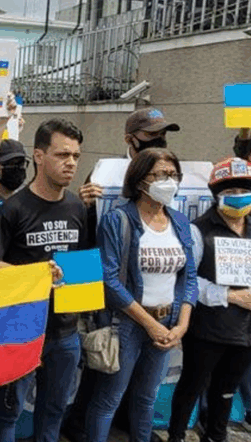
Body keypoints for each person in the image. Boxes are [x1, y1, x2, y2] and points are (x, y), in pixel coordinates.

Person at [0, 118, 88, 442]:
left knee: (54, 411)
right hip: (22, 329)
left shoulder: (78, 206)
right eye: (62, 155)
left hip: (66, 334)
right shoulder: (13, 209)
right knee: (8, 413)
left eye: (75, 156)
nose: (70, 163)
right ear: (39, 157)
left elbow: (82, 263)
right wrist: (38, 274)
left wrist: (81, 316)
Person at [84, 148, 198, 442]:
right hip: (128, 325)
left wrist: (181, 325)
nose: (168, 181)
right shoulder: (118, 221)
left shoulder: (180, 222)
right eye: (160, 174)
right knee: (109, 399)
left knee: (147, 399)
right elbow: (108, 280)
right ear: (139, 180)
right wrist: (149, 324)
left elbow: (189, 277)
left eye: (173, 175)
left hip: (168, 324)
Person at [167, 157, 251, 442]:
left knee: (226, 391)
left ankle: (216, 436)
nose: (238, 197)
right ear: (216, 195)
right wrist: (228, 295)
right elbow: (188, 280)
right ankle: (176, 435)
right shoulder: (199, 230)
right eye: (231, 192)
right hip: (207, 330)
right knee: (191, 386)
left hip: (244, 333)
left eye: (244, 190)